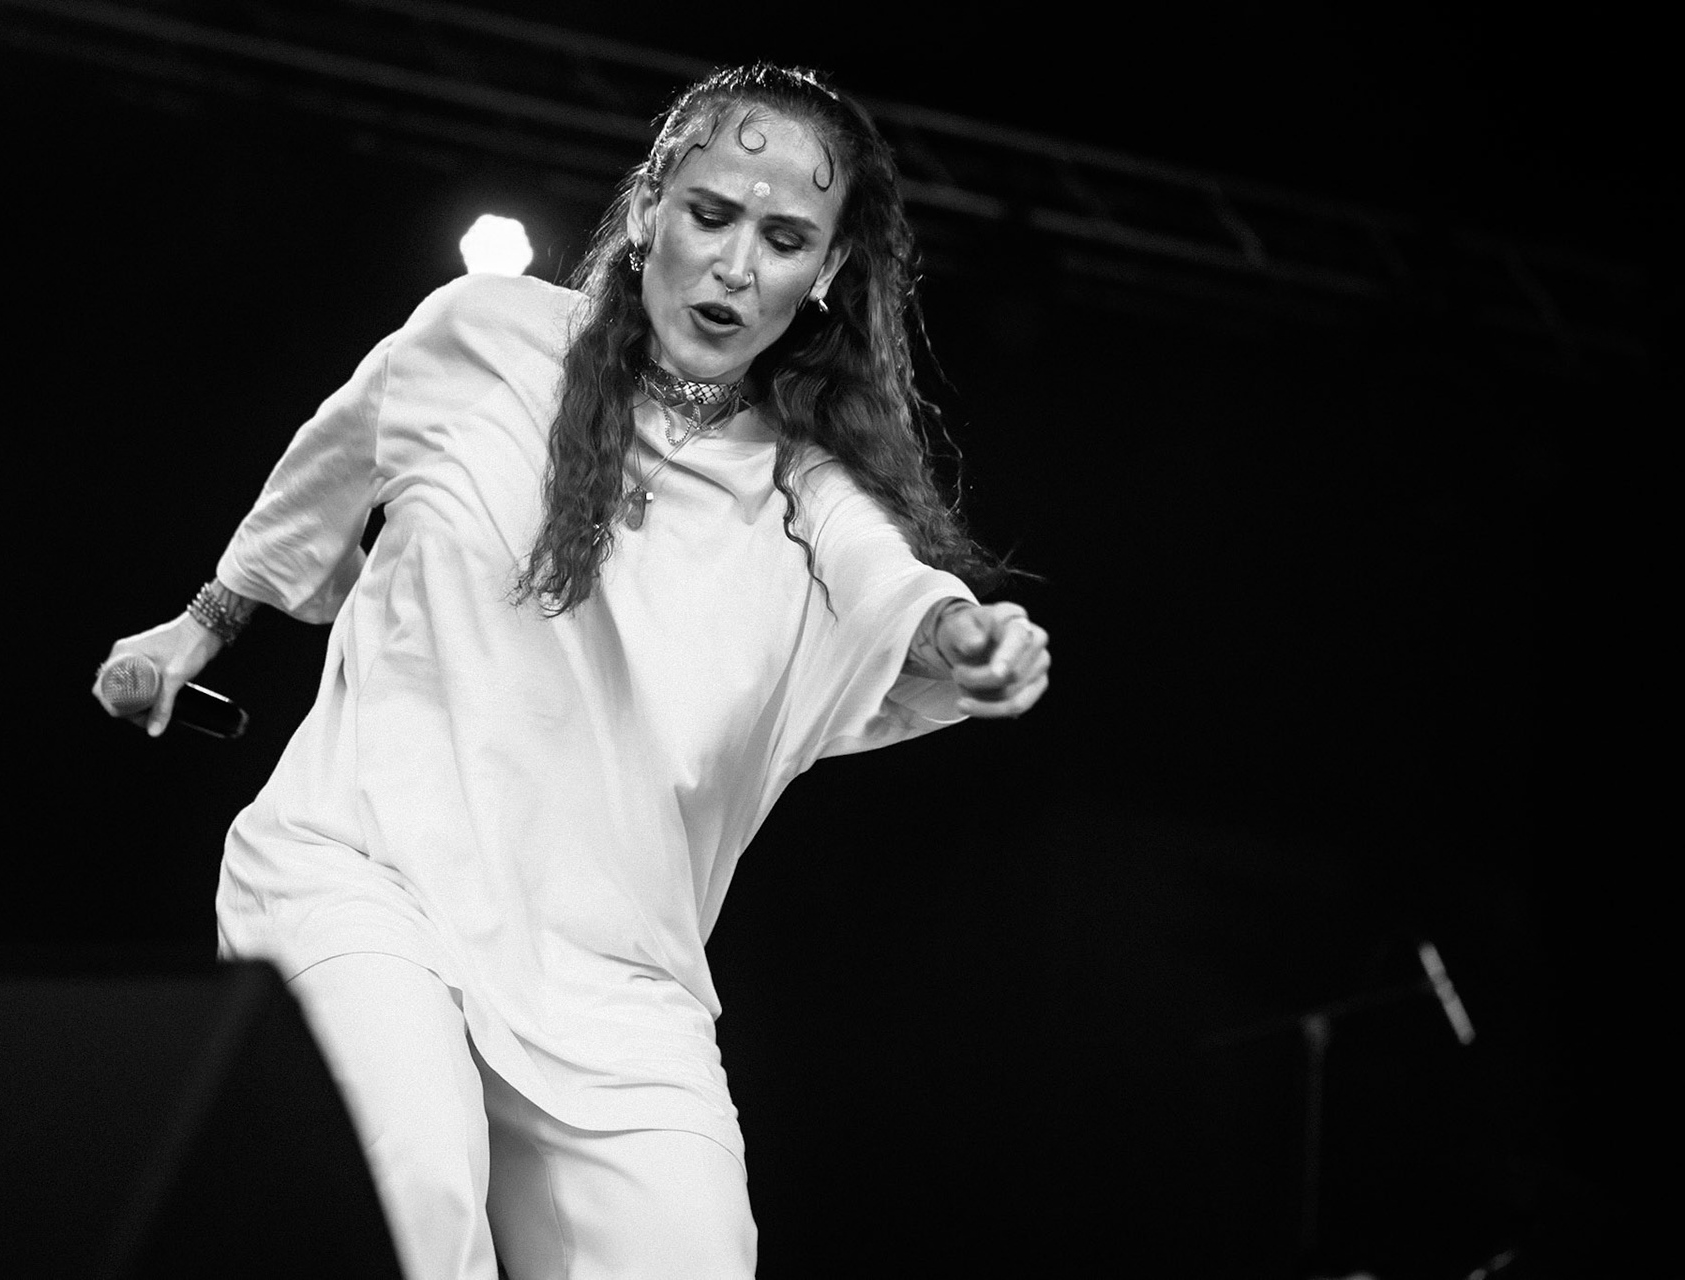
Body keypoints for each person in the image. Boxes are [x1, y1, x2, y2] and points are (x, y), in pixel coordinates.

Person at [96, 63, 1048, 1280]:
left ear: (827, 275)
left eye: (785, 238)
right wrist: (200, 623)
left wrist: (960, 636)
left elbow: (888, 586)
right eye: (713, 214)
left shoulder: (812, 491)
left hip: (614, 980)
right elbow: (326, 468)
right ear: (651, 203)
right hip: (368, 868)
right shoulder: (480, 337)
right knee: (410, 1192)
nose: (737, 265)